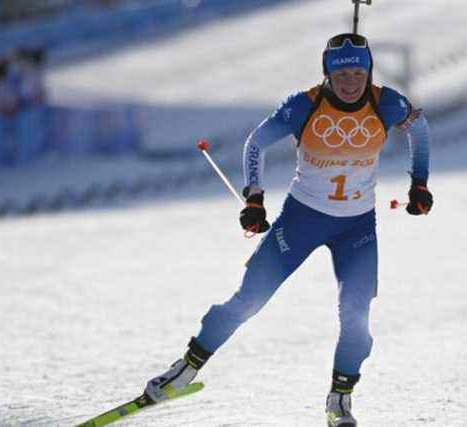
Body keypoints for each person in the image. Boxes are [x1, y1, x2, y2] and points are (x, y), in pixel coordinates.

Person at [144, 33, 433, 427]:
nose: (351, 80)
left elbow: (420, 129)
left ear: (368, 71)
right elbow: (255, 144)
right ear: (327, 73)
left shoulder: (387, 103)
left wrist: (419, 183)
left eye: (358, 71)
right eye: (341, 72)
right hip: (302, 219)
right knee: (248, 299)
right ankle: (186, 368)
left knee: (356, 316)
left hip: (358, 228)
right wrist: (254, 198)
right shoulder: (304, 105)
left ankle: (340, 399)